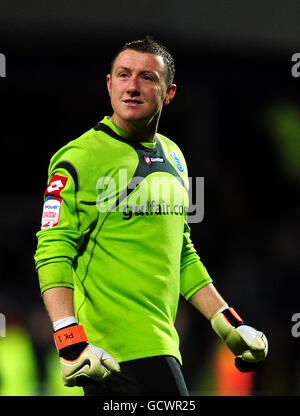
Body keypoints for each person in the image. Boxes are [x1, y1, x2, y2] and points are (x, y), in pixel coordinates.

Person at [34, 36, 268, 396]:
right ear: (109, 85)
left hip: (163, 345)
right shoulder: (80, 157)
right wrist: (68, 338)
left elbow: (182, 253)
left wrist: (227, 323)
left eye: (147, 77)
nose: (132, 87)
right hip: (111, 352)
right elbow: (52, 248)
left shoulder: (174, 157)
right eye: (123, 76)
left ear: (169, 92)